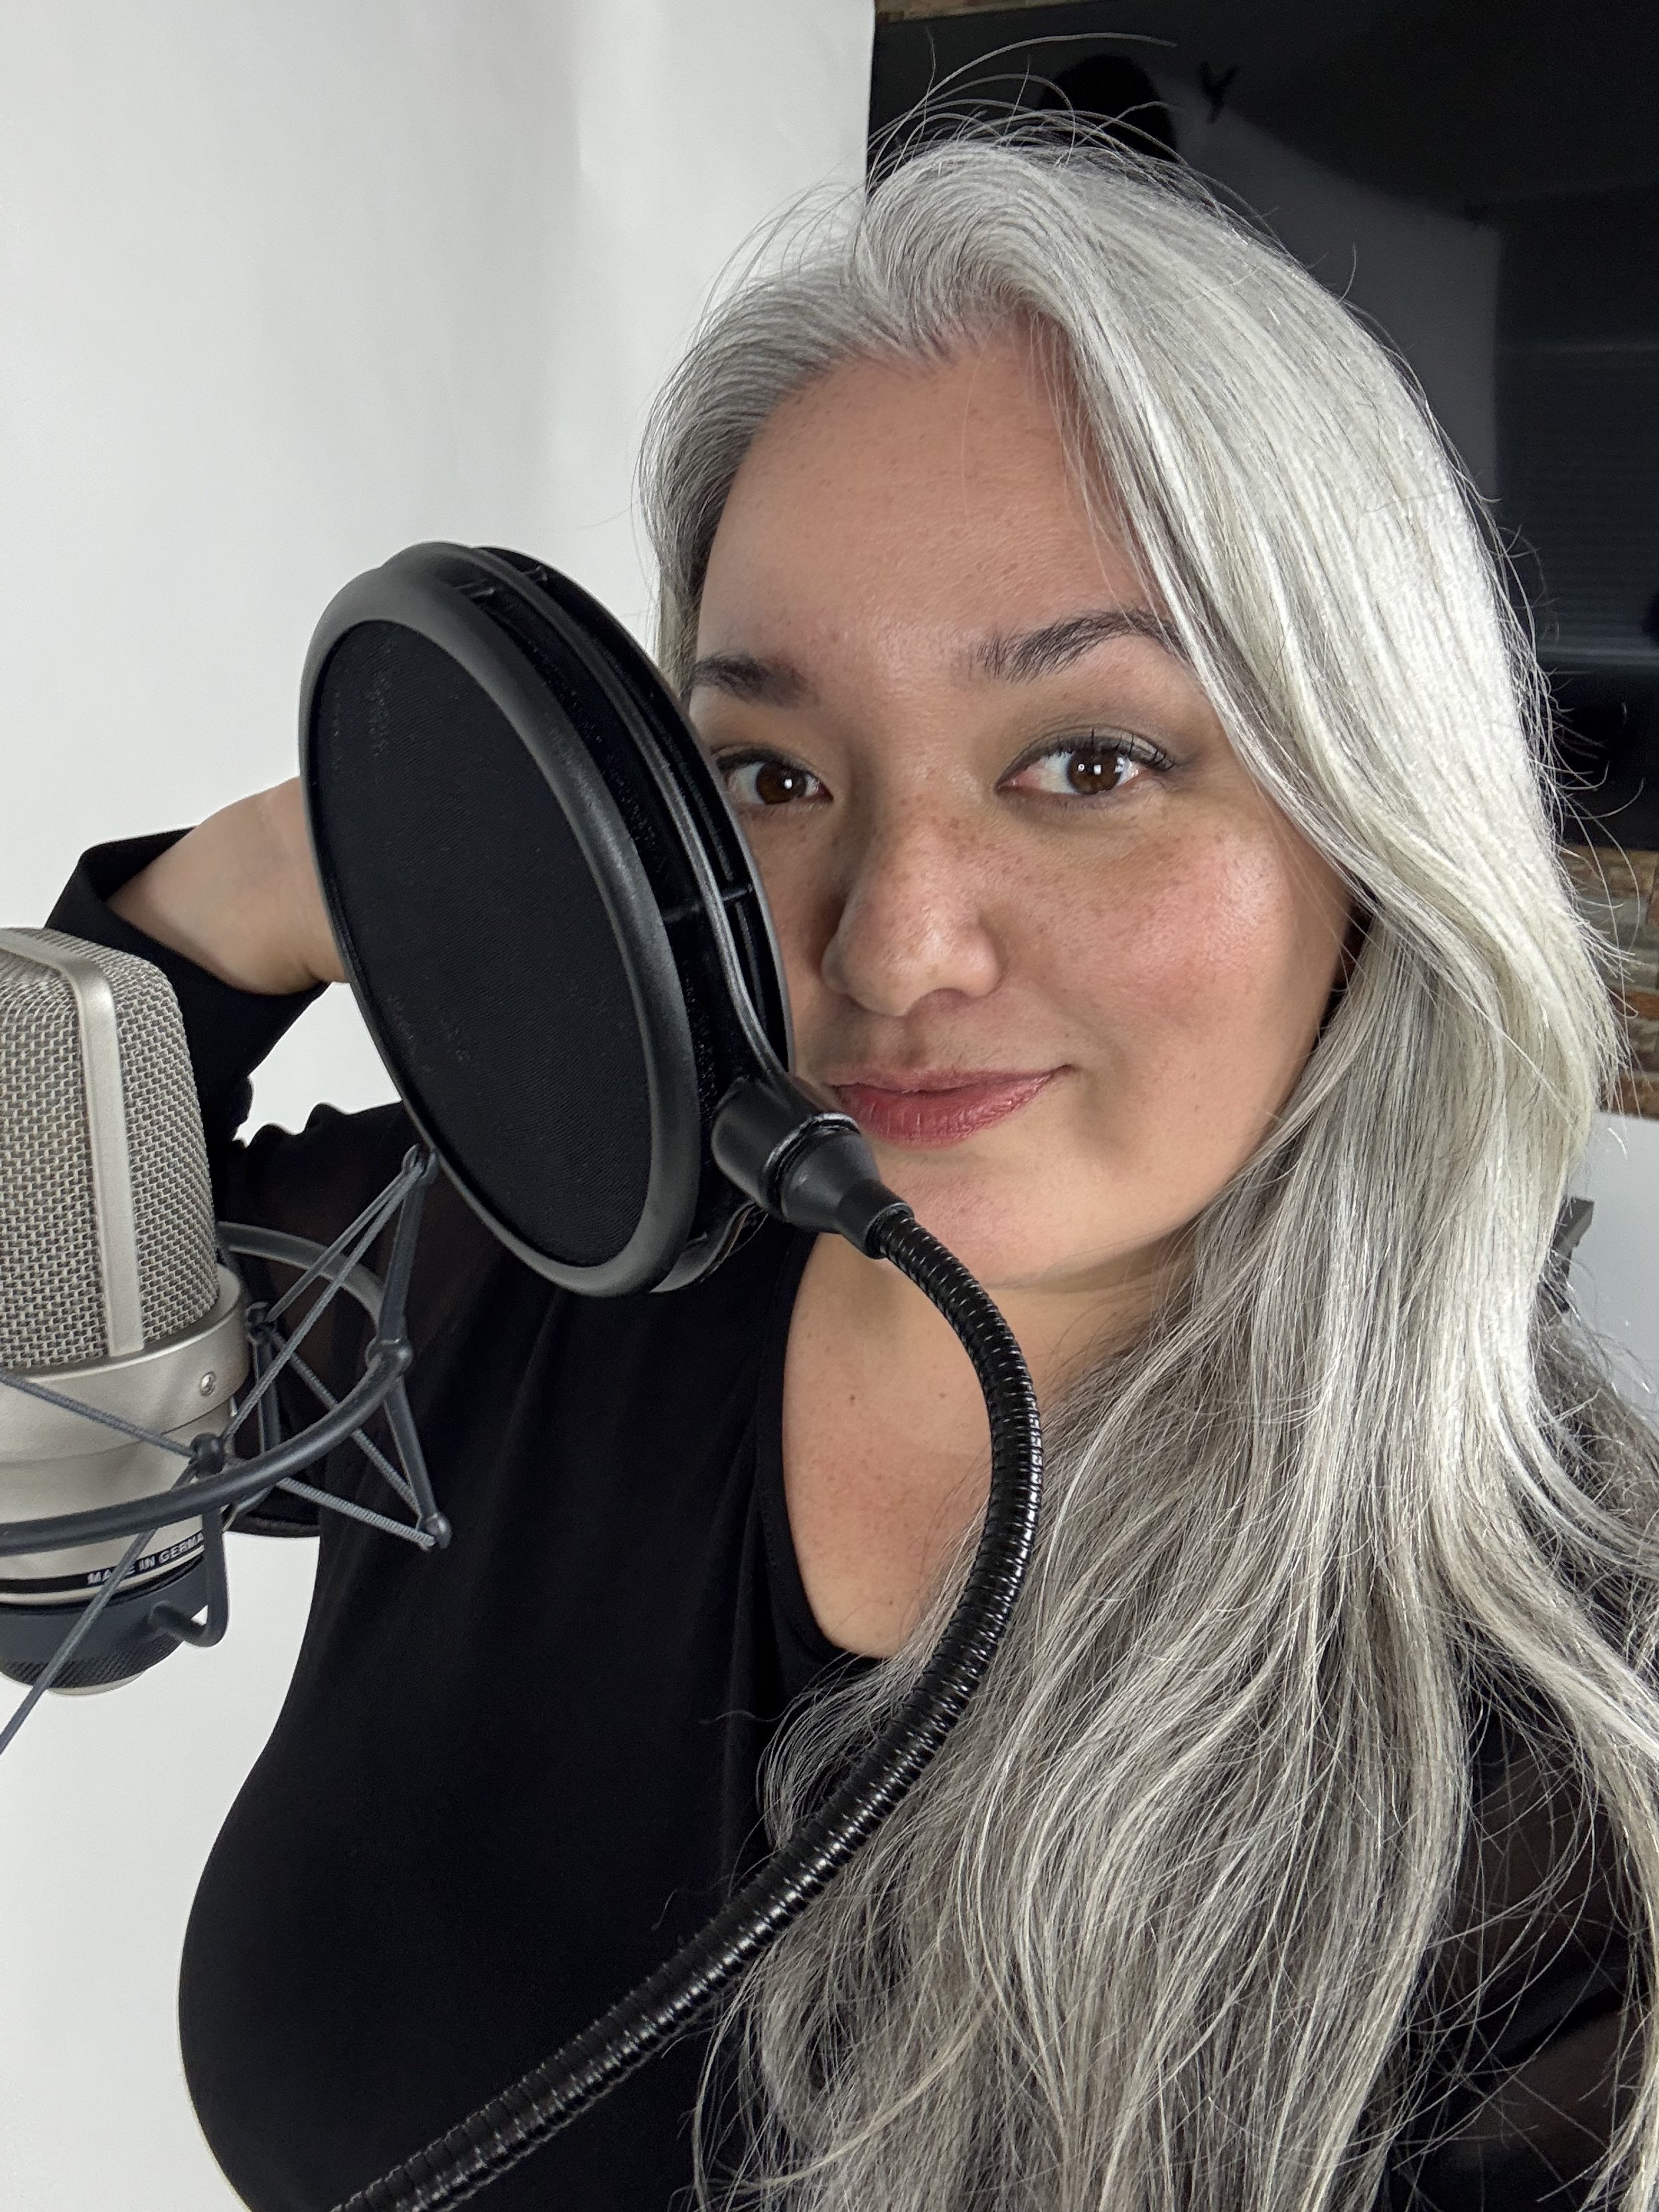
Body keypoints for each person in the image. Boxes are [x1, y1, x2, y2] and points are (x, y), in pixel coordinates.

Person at [48, 133, 1659, 2211]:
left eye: (1089, 762)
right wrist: (245, 892)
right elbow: (45, 1406)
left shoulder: (1575, 1765)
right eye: (771, 774)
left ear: (1367, 834)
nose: (893, 947)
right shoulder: (522, 1262)